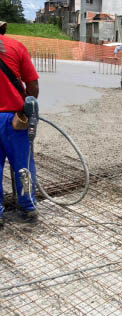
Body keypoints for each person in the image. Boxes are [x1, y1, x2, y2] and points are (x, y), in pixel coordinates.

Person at [0, 23, 39, 225]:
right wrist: (27, 111)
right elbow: (32, 84)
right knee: (23, 165)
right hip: (14, 120)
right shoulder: (16, 47)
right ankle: (28, 206)